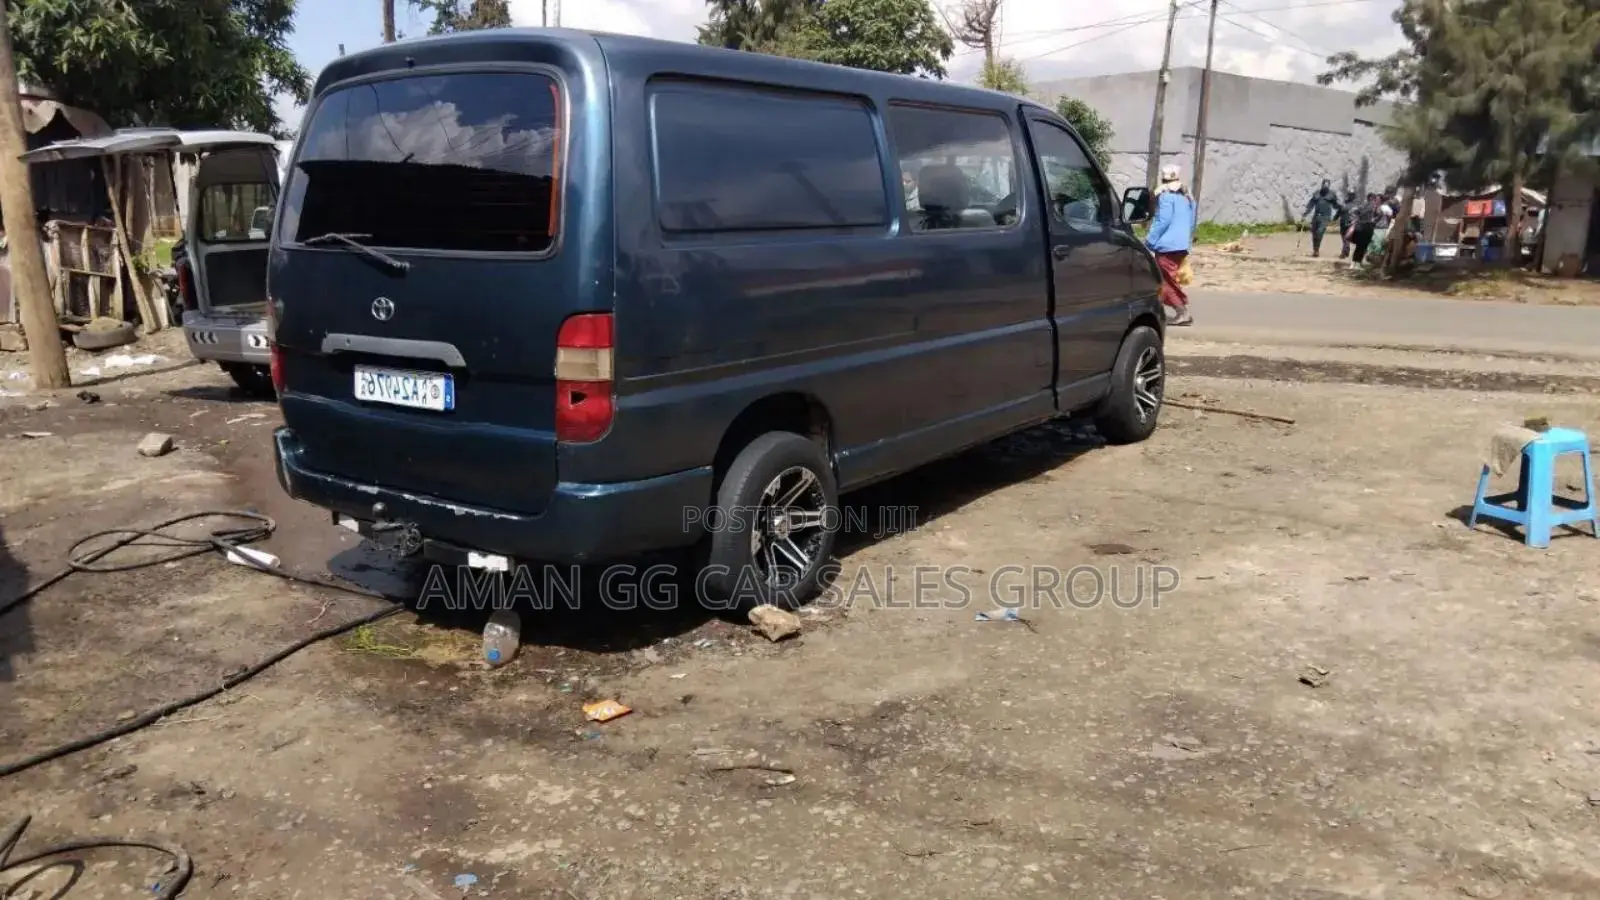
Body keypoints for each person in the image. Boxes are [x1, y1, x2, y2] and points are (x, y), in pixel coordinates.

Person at [1146, 163, 1195, 326]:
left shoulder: (1166, 197)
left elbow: (1162, 221)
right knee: (1168, 278)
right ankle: (1163, 311)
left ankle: (1182, 312)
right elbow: (1192, 223)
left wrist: (1150, 240)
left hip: (1167, 245)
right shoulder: (1188, 198)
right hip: (1181, 245)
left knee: (1165, 280)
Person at [1300, 179, 1342, 257]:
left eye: (1327, 185)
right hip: (1316, 216)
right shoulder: (1317, 194)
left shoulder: (1331, 195)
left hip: (1325, 217)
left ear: (1329, 186)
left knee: (1320, 232)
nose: (1325, 187)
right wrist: (1305, 214)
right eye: (1324, 185)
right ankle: (1315, 250)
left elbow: (1335, 205)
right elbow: (1311, 204)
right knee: (1314, 233)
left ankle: (1317, 249)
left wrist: (1340, 208)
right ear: (1322, 185)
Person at [1348, 193, 1380, 264]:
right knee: (1363, 247)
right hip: (1367, 227)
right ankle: (1358, 263)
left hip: (1360, 226)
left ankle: (1354, 263)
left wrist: (1355, 219)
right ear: (1373, 198)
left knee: (1359, 246)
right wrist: (1374, 220)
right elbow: (1378, 215)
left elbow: (1352, 211)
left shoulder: (1362, 205)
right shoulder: (1374, 206)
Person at [1336, 191, 1357, 258]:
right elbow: (1338, 212)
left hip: (1351, 224)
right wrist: (1334, 218)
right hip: (1343, 223)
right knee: (1344, 238)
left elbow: (1359, 215)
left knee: (1346, 238)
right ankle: (1346, 251)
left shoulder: (1356, 205)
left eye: (1352, 195)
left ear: (1354, 196)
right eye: (1350, 195)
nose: (1351, 196)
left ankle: (1344, 253)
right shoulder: (1343, 204)